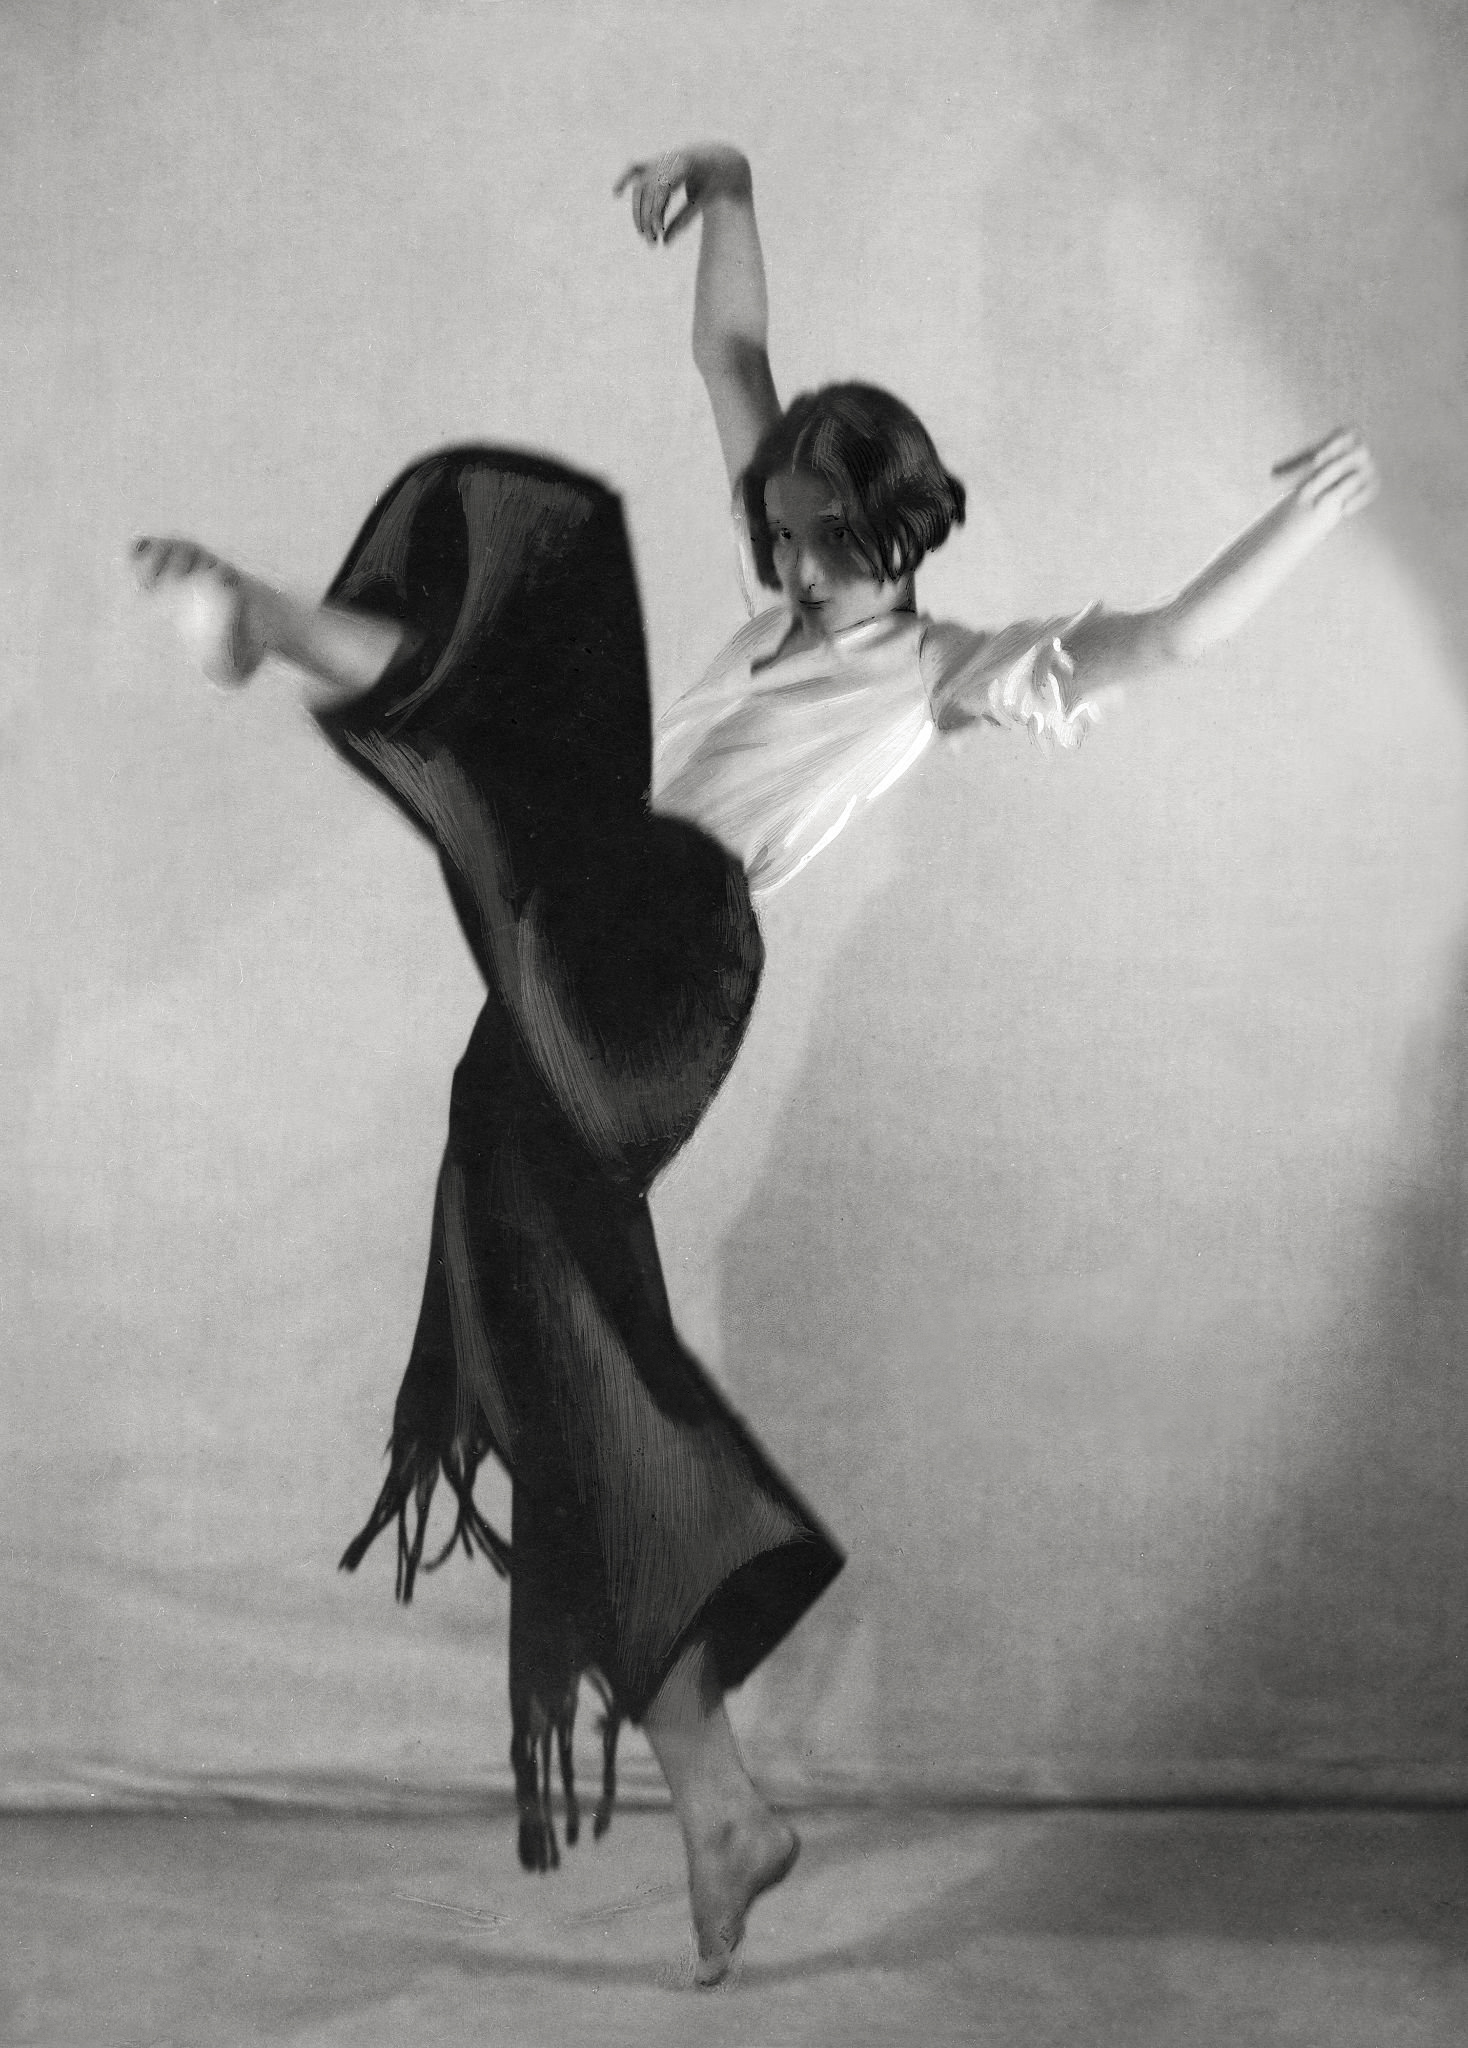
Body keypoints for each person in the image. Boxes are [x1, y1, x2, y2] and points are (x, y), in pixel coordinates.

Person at [132, 140, 1377, 1986]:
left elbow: (1171, 638)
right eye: (776, 531)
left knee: (552, 619)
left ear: (896, 536)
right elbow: (732, 358)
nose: (784, 564)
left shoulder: (947, 671)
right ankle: (720, 1801)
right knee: (562, 1379)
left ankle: (280, 627)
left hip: (657, 968)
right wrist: (726, 185)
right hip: (560, 959)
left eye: (816, 541)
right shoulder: (787, 553)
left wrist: (1313, 514)